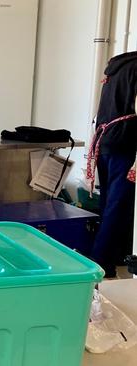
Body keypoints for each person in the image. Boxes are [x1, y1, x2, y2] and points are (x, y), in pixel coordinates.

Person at [87, 51, 137, 278]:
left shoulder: (117, 66)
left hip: (106, 141)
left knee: (111, 204)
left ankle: (117, 256)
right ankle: (100, 263)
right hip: (125, 144)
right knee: (119, 207)